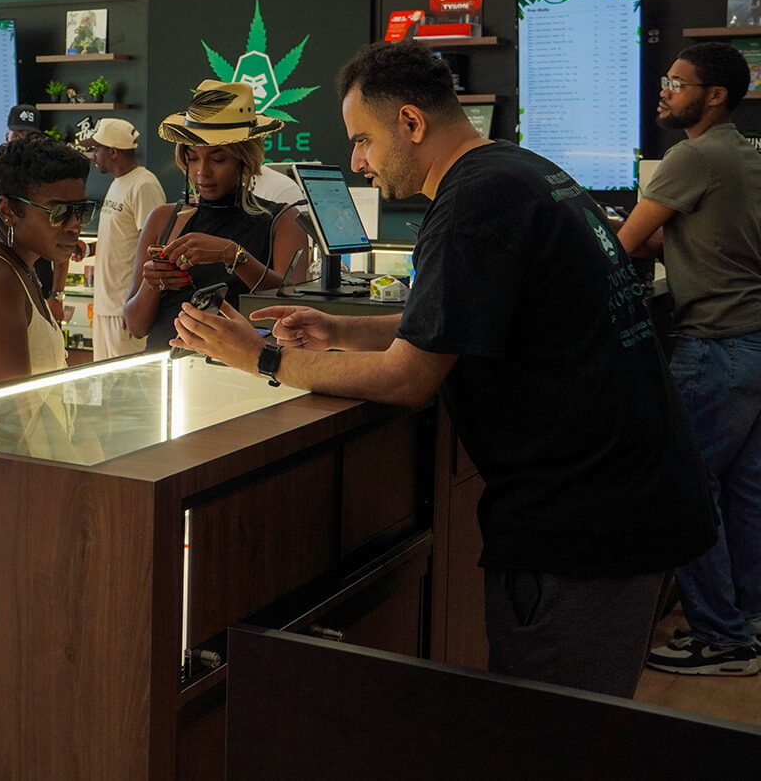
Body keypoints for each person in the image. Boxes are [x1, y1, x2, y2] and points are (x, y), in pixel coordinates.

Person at [170, 40, 716, 699]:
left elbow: (410, 377)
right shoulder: (514, 171)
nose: (357, 161)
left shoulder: (469, 205)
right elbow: (469, 320)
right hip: (628, 500)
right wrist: (341, 328)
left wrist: (259, 355)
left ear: (410, 122)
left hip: (585, 525)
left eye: (364, 141)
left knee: (559, 736)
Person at [613, 42, 761, 676]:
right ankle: (748, 618)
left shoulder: (691, 156)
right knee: (745, 489)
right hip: (754, 341)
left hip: (715, 345)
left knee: (683, 486)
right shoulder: (748, 153)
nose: (664, 93)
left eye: (677, 83)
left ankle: (721, 638)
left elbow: (621, 244)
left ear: (716, 96)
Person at [0, 135, 97, 459]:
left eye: (81, 210)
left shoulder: (15, 264)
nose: (74, 225)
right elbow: (18, 414)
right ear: (8, 210)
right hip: (10, 477)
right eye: (59, 212)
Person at [124, 81, 307, 352]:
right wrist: (153, 284)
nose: (202, 172)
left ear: (243, 159)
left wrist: (234, 255)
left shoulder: (282, 221)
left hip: (238, 376)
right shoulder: (164, 219)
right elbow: (136, 327)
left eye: (218, 159)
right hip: (163, 373)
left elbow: (296, 312)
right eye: (193, 158)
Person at [0, 104, 69, 324]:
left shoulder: (48, 177)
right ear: (7, 135)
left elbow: (61, 236)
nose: (21, 140)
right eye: (17, 134)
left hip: (38, 278)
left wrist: (57, 295)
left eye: (28, 135)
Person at [80, 118, 164, 360]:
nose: (93, 155)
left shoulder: (144, 185)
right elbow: (127, 238)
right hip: (106, 306)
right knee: (105, 386)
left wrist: (136, 307)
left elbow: (154, 247)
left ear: (113, 152)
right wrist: (91, 249)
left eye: (97, 149)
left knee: (127, 389)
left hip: (124, 309)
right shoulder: (119, 183)